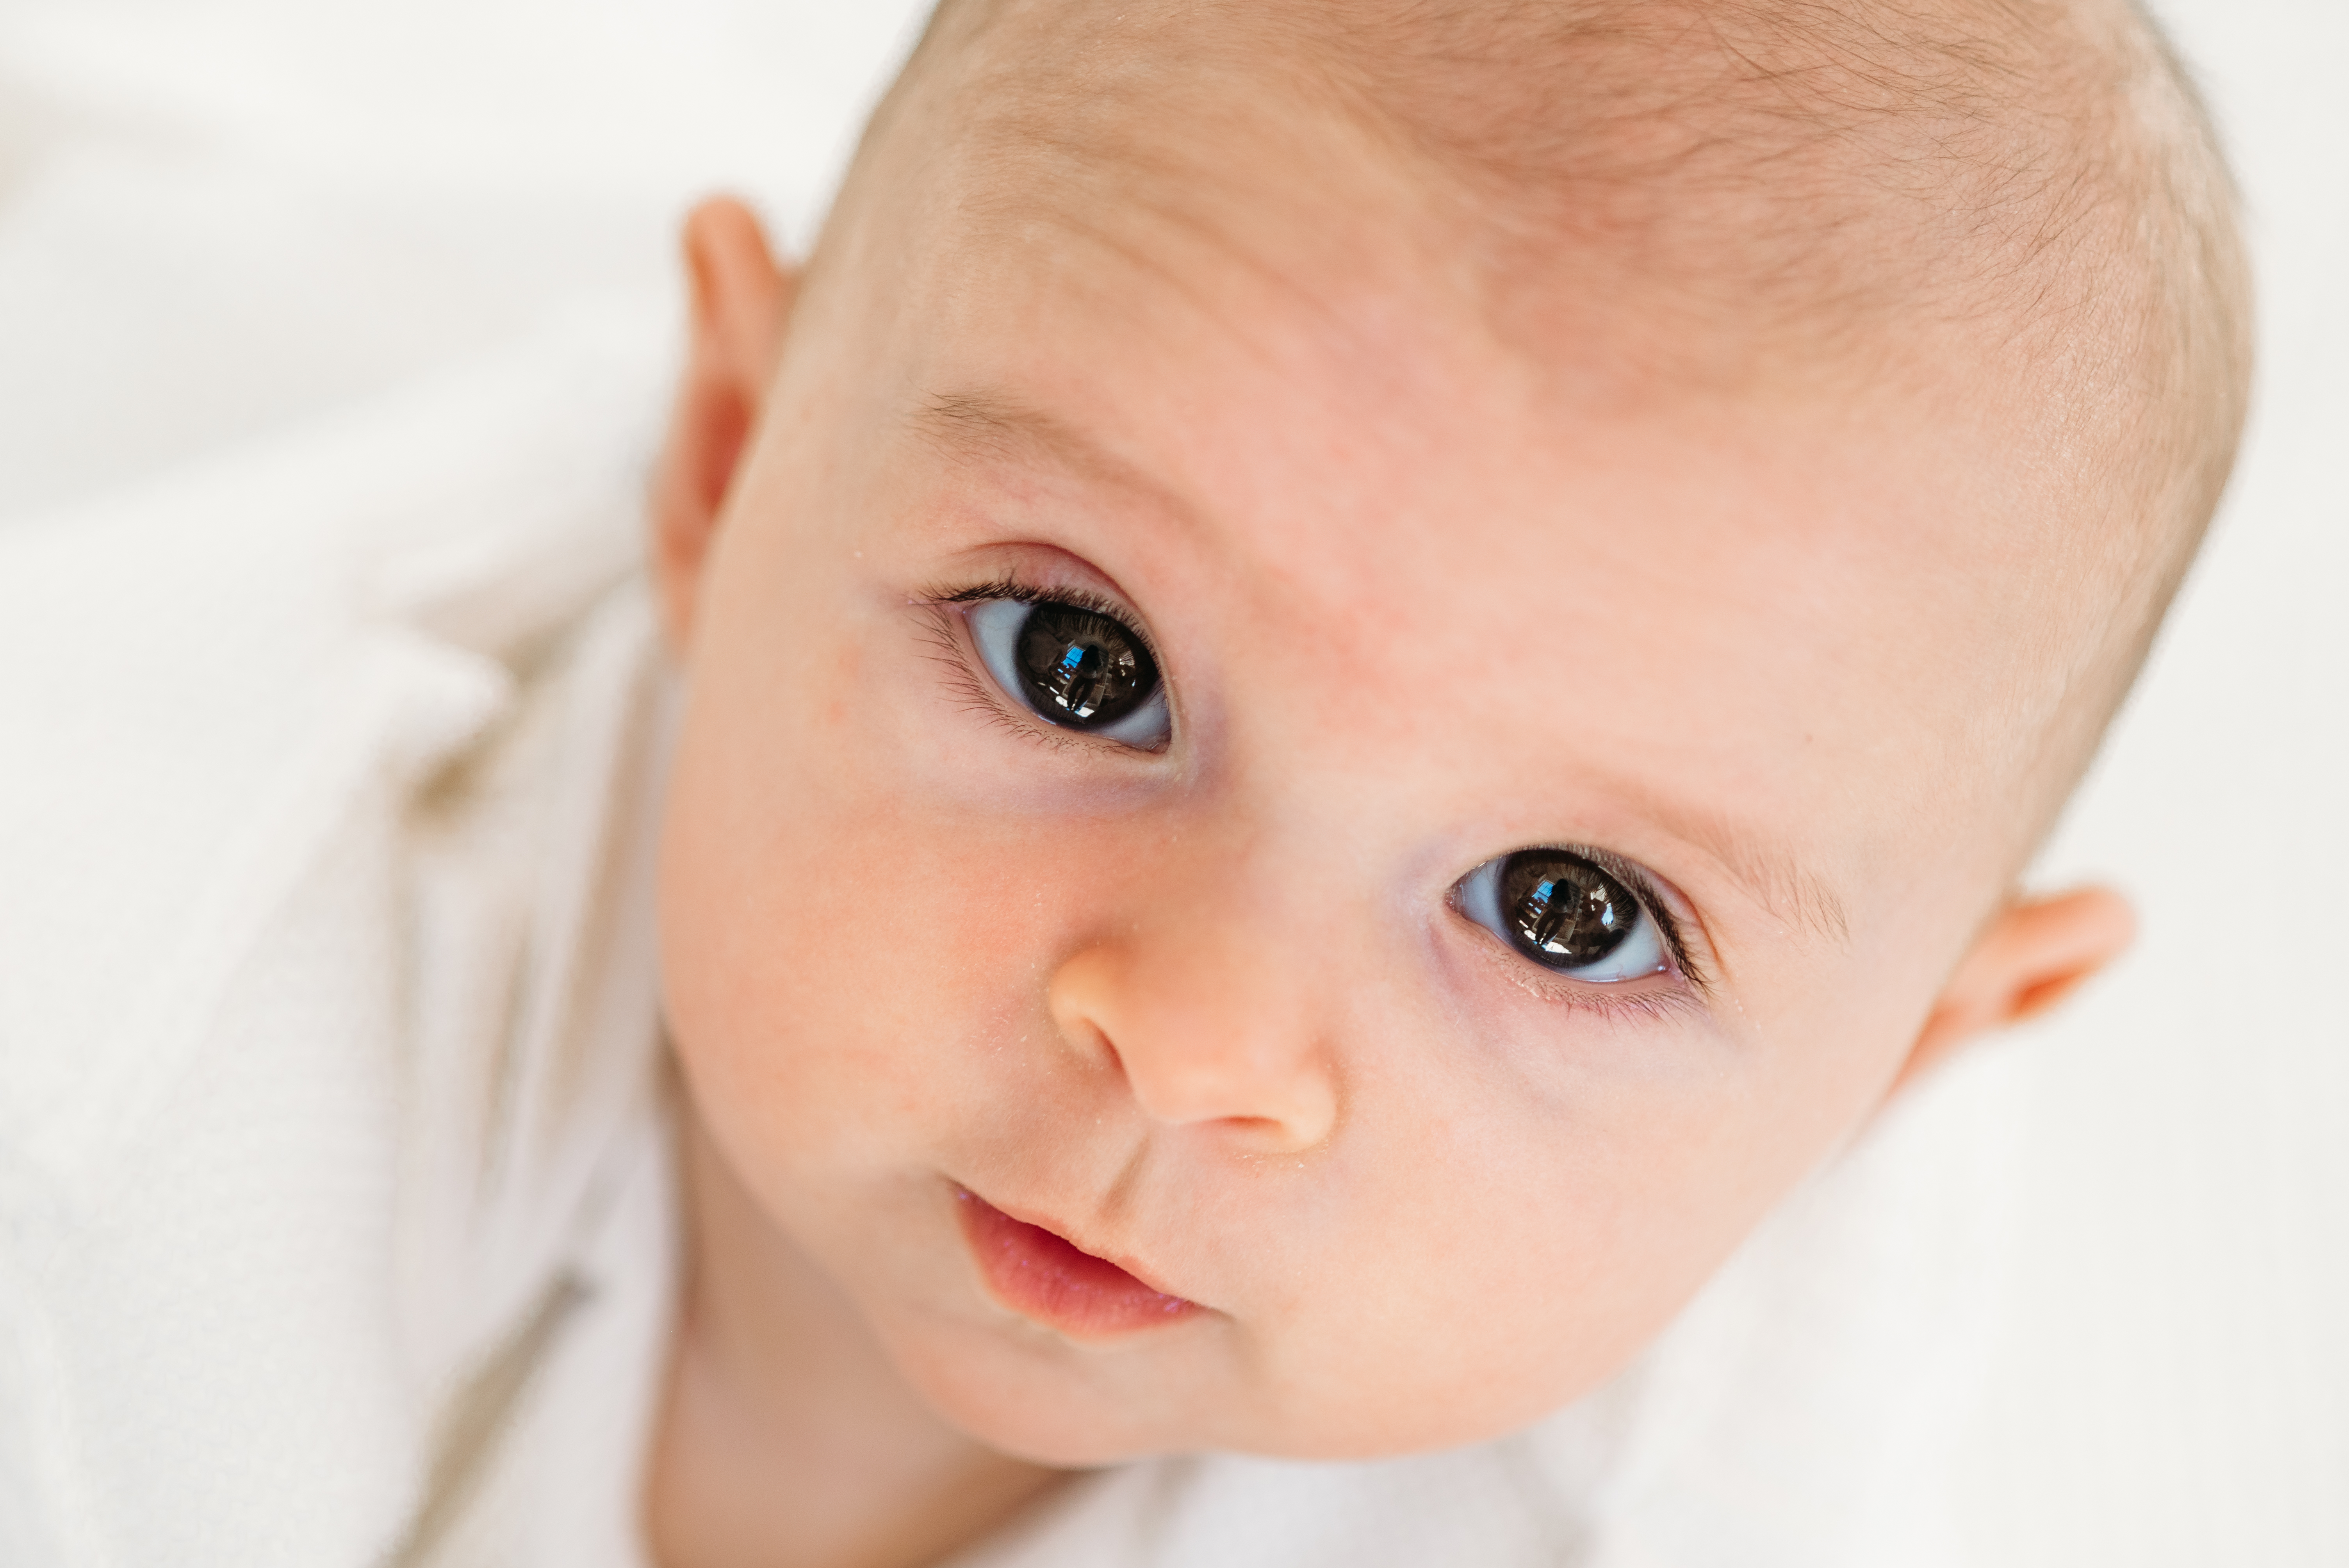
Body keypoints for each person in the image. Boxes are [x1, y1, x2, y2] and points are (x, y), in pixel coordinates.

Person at [0, 0, 2249, 1565]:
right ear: (725, 463)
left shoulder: (1711, 1417)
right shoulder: (122, 1059)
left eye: (1571, 909)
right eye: (1081, 670)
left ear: (1906, 1064)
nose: (1200, 1048)